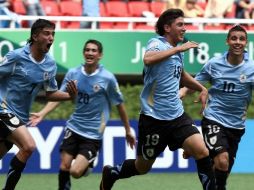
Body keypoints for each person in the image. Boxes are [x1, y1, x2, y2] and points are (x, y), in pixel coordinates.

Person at [99, 8, 216, 190]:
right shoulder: (157, 43)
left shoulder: (178, 51)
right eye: (180, 25)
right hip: (153, 119)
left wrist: (201, 88)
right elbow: (148, 59)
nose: (184, 28)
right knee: (142, 167)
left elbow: (181, 74)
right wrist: (179, 48)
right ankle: (112, 172)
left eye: (184, 24)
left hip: (177, 116)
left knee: (202, 151)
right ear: (167, 28)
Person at [29, 39, 136, 190]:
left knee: (75, 171)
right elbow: (60, 96)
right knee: (64, 166)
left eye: (93, 50)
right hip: (73, 127)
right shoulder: (73, 73)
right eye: (87, 50)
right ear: (83, 53)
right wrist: (42, 113)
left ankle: (89, 164)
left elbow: (119, 105)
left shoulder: (107, 78)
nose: (90, 53)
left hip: (93, 134)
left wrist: (127, 130)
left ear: (100, 55)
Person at [0, 18, 77, 190]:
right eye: (46, 33)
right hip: (3, 110)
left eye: (53, 34)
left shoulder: (49, 65)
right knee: (29, 146)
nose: (51, 38)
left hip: (18, 118)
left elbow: (50, 93)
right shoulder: (16, 57)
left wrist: (69, 96)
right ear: (35, 36)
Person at [180, 24, 254, 190]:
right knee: (222, 160)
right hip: (214, 119)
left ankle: (199, 149)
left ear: (246, 43)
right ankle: (200, 147)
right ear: (227, 41)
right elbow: (196, 83)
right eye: (234, 38)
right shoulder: (214, 64)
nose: (237, 42)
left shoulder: (251, 68)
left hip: (237, 126)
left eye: (242, 39)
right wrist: (183, 91)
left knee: (222, 170)